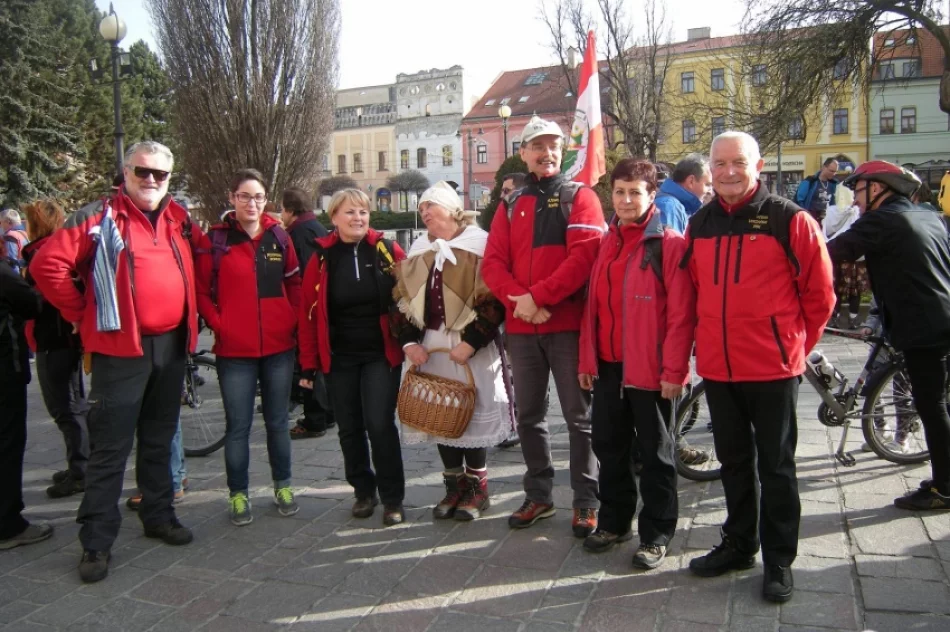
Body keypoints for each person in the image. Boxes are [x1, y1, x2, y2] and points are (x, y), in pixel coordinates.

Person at [31, 141, 202, 583]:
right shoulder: (98, 215)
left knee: (160, 438)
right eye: (142, 171)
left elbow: (206, 259)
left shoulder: (179, 219)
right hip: (119, 349)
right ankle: (96, 540)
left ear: (170, 178)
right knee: (110, 448)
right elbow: (47, 265)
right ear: (126, 172)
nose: (150, 180)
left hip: (169, 345)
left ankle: (158, 515)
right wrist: (83, 313)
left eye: (160, 174)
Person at [683, 131, 835, 602]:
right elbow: (692, 292)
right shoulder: (701, 222)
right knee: (733, 462)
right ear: (710, 169)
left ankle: (779, 560)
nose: (728, 171)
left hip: (773, 368)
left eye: (738, 162)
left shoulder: (790, 220)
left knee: (776, 467)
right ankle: (740, 542)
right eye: (719, 163)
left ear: (758, 164)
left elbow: (821, 295)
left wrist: (792, 347)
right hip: (719, 369)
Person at [482, 115, 605, 537]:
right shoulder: (511, 203)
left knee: (579, 417)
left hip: (566, 325)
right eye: (538, 146)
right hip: (523, 326)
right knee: (530, 416)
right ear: (523, 153)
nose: (546, 152)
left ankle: (587, 501)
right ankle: (539, 496)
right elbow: (493, 263)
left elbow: (584, 259)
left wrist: (538, 298)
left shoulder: (580, 196)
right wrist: (522, 302)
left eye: (553, 146)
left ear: (562, 151)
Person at [577, 159, 696, 569]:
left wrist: (675, 372)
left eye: (635, 192)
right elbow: (593, 308)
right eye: (620, 191)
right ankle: (613, 522)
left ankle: (656, 533)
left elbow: (681, 316)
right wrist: (587, 359)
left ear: (651, 196)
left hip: (650, 371)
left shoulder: (669, 244)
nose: (626, 200)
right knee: (610, 449)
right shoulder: (606, 241)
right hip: (609, 367)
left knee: (657, 456)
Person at [826, 160, 950, 511]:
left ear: (876, 188)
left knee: (932, 406)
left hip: (922, 325)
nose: (855, 200)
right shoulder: (926, 215)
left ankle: (945, 487)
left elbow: (831, 251)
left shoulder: (883, 220)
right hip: (940, 318)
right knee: (935, 402)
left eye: (857, 189)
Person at [391, 182, 512, 521]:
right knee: (439, 412)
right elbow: (401, 300)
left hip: (470, 345)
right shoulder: (418, 249)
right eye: (422, 209)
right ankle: (453, 486)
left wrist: (471, 341)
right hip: (431, 345)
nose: (425, 213)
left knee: (471, 413)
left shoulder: (480, 244)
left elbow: (495, 298)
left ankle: (477, 490)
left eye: (431, 206)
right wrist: (410, 342)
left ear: (451, 208)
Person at [195, 169, 301, 526]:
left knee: (277, 423)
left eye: (258, 197)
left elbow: (295, 284)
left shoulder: (278, 237)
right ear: (232, 199)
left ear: (265, 200)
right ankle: (238, 494)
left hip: (278, 348)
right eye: (244, 196)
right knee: (238, 426)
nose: (251, 203)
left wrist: (291, 320)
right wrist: (219, 323)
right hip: (234, 352)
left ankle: (283, 486)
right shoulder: (217, 240)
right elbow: (200, 292)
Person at [298, 189, 407, 526]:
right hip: (339, 356)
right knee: (349, 428)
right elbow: (307, 315)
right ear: (333, 218)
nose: (358, 218)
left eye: (363, 212)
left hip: (380, 354)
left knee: (379, 423)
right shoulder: (321, 258)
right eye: (350, 212)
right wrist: (308, 364)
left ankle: (392, 498)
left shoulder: (387, 250)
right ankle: (363, 490)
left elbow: (410, 296)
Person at [21, 200, 89, 499]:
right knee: (73, 405)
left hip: (55, 339)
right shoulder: (60, 248)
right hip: (66, 339)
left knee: (65, 408)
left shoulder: (42, 253)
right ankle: (80, 464)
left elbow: (38, 301)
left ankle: (81, 470)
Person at [0, 255, 54, 550]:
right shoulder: (3, 273)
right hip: (4, 370)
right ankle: (8, 525)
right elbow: (31, 304)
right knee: (7, 442)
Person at [281, 187, 335, 440]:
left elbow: (301, 274)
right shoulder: (317, 228)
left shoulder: (297, 234)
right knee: (323, 363)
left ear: (291, 211)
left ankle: (314, 420)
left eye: (282, 209)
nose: (281, 215)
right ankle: (328, 413)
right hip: (324, 304)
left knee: (309, 363)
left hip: (310, 307)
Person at [495, 172, 527, 450]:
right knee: (511, 373)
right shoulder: (501, 220)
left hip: (531, 311)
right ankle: (513, 422)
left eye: (506, 191)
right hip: (508, 310)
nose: (501, 196)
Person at [822, 186, 868, 329]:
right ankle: (853, 320)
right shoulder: (855, 212)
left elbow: (826, 230)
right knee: (855, 290)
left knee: (836, 288)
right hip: (854, 258)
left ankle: (834, 317)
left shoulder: (830, 211)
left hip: (835, 255)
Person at [653, 153, 712, 234]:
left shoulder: (679, 206)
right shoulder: (669, 207)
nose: (710, 191)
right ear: (691, 181)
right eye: (708, 185)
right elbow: (669, 245)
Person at [794, 158, 839, 226]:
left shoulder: (834, 184)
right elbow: (799, 199)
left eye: (835, 171)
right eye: (831, 171)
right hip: (811, 218)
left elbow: (834, 203)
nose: (834, 174)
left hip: (827, 220)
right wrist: (805, 216)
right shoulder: (810, 181)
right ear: (824, 167)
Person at [2, 209, 30, 273]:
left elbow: (11, 261)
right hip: (25, 271)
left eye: (1, 222)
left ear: (8, 222)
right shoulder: (23, 233)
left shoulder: (10, 236)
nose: (1, 225)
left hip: (16, 274)